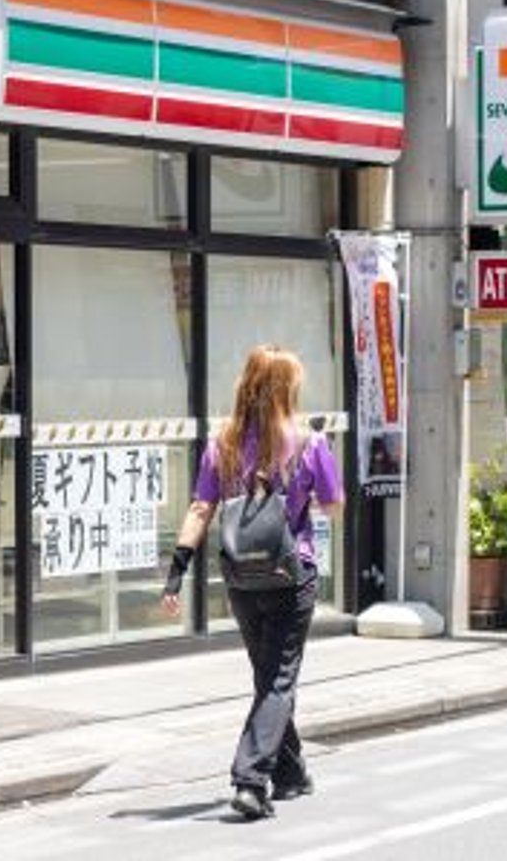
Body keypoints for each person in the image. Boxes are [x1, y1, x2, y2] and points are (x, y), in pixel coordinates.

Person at [161, 345, 344, 820]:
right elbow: (334, 505)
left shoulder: (221, 444)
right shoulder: (309, 442)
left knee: (268, 677)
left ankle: (291, 772)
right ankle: (250, 780)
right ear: (288, 389)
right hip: (291, 573)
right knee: (280, 680)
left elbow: (201, 509)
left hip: (241, 579)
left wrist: (175, 573)